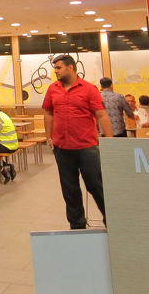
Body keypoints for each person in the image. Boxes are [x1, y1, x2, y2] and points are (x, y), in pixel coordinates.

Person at [42, 55, 111, 230]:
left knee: (96, 185)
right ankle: (77, 226)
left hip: (87, 147)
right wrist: (49, 136)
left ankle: (111, 219)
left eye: (58, 67)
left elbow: (101, 115)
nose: (56, 71)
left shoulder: (89, 89)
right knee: (69, 189)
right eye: (55, 68)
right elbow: (48, 113)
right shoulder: (52, 89)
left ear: (70, 67)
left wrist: (110, 141)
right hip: (62, 147)